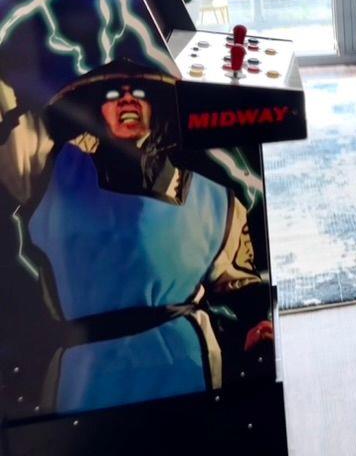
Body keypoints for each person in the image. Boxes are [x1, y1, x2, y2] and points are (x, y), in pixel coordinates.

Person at [0, 59, 273, 415]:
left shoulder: (214, 199)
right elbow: (8, 119)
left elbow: (238, 284)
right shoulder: (51, 175)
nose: (127, 100)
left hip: (184, 364)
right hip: (87, 374)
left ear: (157, 107)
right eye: (114, 94)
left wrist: (258, 321)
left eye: (140, 93)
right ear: (97, 107)